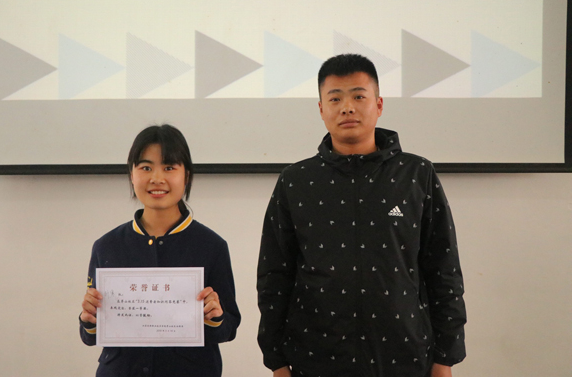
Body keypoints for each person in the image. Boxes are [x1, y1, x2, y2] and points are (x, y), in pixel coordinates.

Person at [257, 54, 466, 377]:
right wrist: (276, 360)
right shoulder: (295, 181)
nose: (347, 108)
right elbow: (274, 275)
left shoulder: (416, 174)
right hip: (315, 359)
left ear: (379, 105)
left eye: (358, 96)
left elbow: (444, 270)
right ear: (321, 109)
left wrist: (446, 357)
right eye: (335, 99)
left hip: (405, 357)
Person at [79, 124, 241, 377]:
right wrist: (89, 318)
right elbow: (89, 336)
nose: (157, 178)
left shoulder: (211, 246)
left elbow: (228, 328)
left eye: (169, 167)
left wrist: (214, 316)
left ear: (186, 176)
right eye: (145, 168)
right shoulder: (107, 246)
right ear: (132, 175)